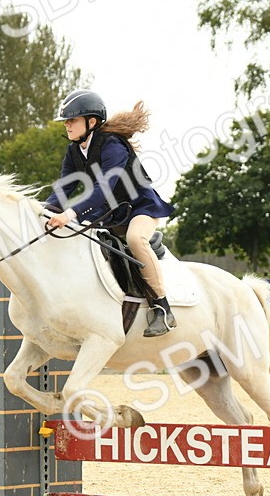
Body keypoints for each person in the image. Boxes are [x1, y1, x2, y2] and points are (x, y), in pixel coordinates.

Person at [43, 90, 178, 337]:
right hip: (111, 213)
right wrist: (43, 213)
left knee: (135, 239)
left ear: (91, 122)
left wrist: (70, 214)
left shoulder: (113, 146)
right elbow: (65, 187)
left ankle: (162, 308)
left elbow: (103, 188)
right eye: (66, 121)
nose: (67, 125)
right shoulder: (74, 151)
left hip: (140, 207)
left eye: (72, 120)